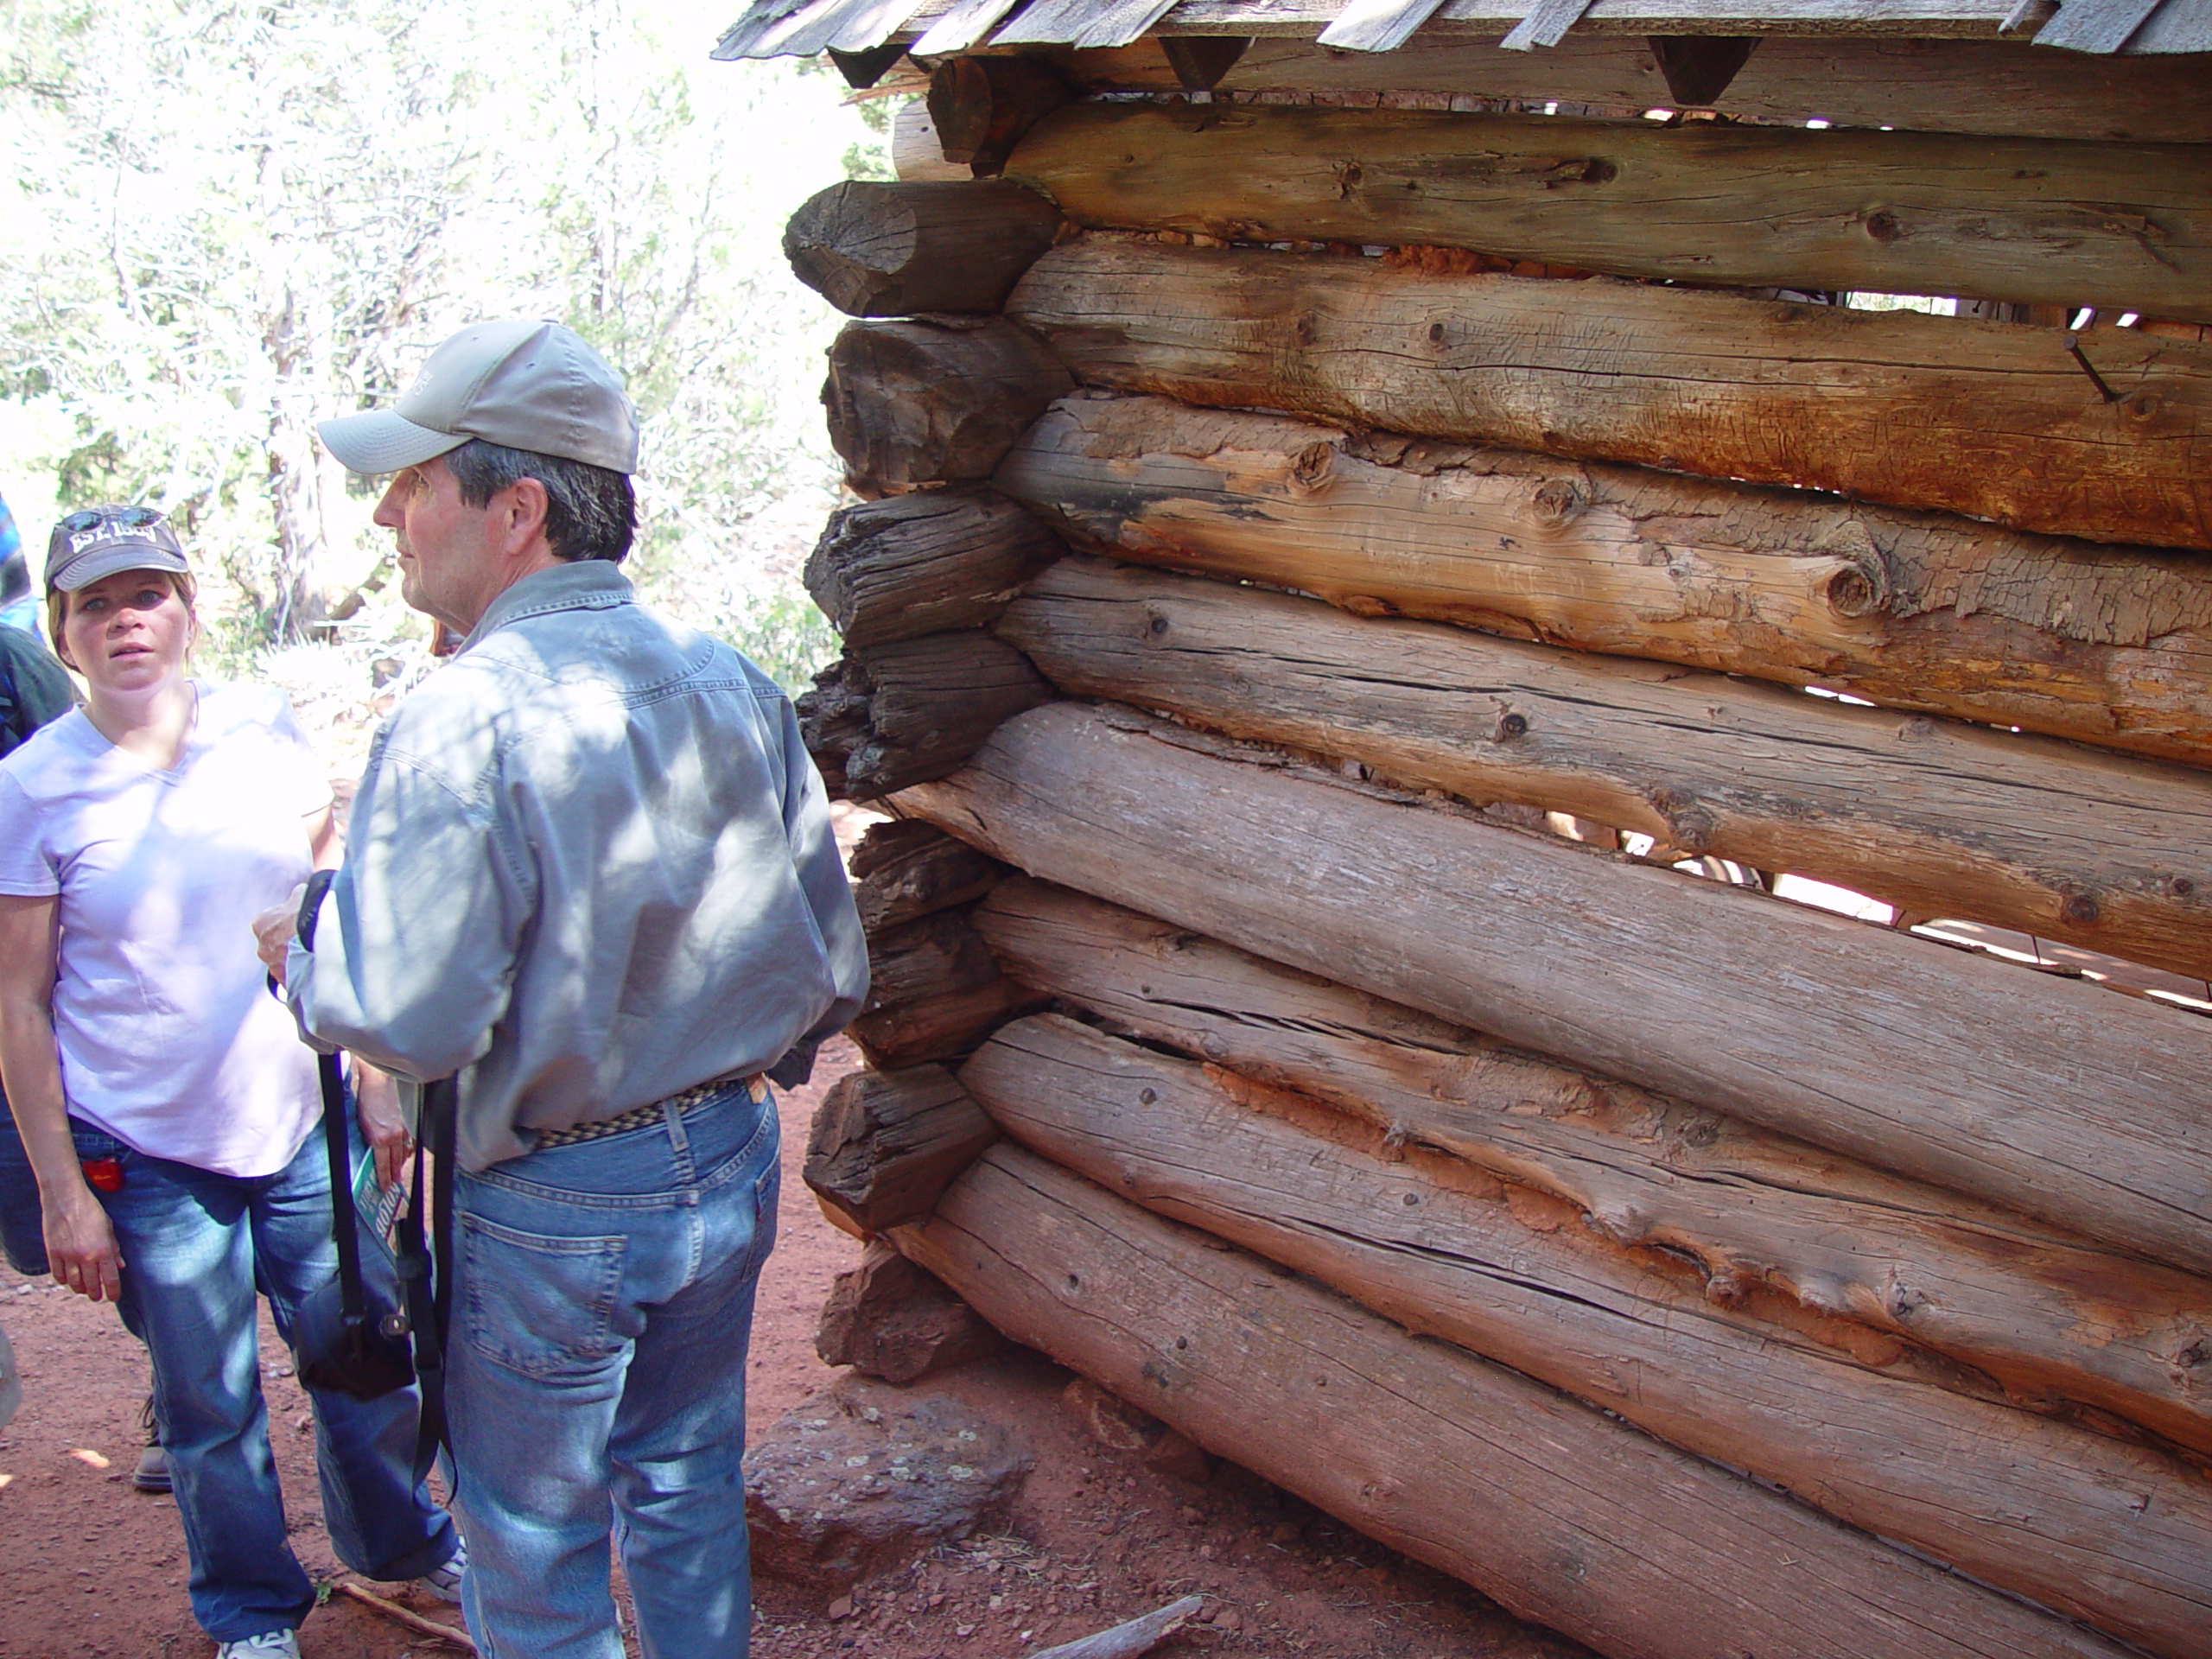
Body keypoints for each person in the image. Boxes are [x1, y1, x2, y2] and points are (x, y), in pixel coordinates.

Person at [258, 318, 867, 1659]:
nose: (388, 514)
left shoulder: (462, 716)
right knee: (685, 1478)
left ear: (516, 508)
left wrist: (303, 960)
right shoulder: (730, 681)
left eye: (413, 483)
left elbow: (409, 1018)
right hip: (724, 1158)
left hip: (550, 1199)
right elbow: (832, 965)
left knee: (533, 1549)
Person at [0, 506, 461, 1659]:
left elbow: (325, 896)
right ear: (61, 633)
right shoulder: (32, 786)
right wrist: (64, 1189)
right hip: (147, 1146)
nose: (125, 622)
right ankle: (252, 1609)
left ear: (189, 611)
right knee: (207, 1400)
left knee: (360, 1344)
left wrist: (376, 1079)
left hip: (299, 1113)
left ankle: (398, 1544)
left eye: (146, 595)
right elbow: (15, 1000)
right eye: (95, 604)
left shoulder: (262, 729)